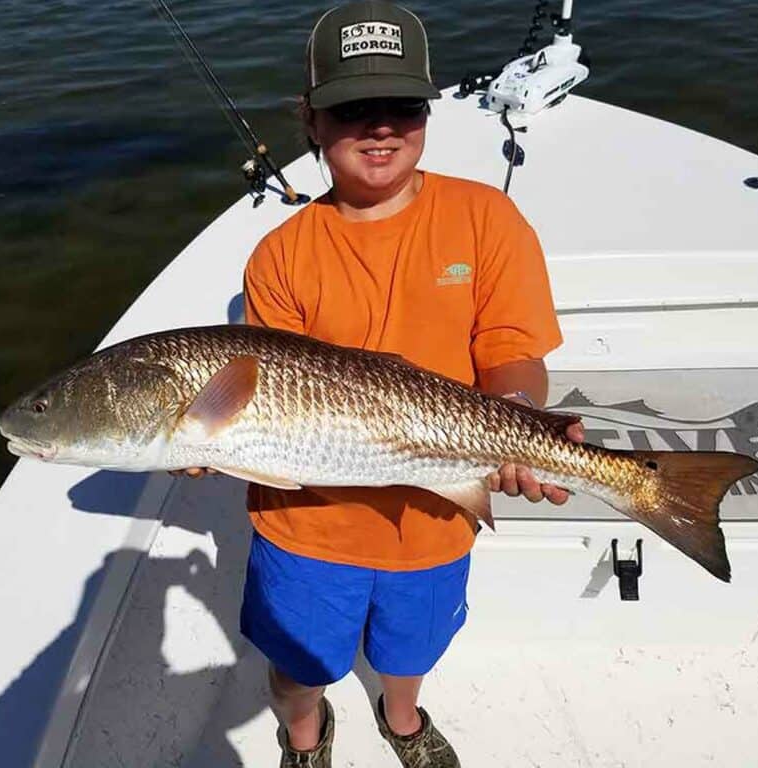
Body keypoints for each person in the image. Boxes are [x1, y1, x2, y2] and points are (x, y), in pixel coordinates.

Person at [182, 2, 583, 765]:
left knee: (411, 650)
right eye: (351, 108)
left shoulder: (488, 219)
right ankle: (304, 734)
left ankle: (401, 720)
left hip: (438, 510)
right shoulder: (281, 256)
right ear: (311, 118)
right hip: (307, 526)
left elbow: (511, 347)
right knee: (299, 666)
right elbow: (274, 391)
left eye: (401, 105)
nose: (379, 127)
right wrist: (201, 440)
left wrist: (521, 416)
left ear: (426, 110)